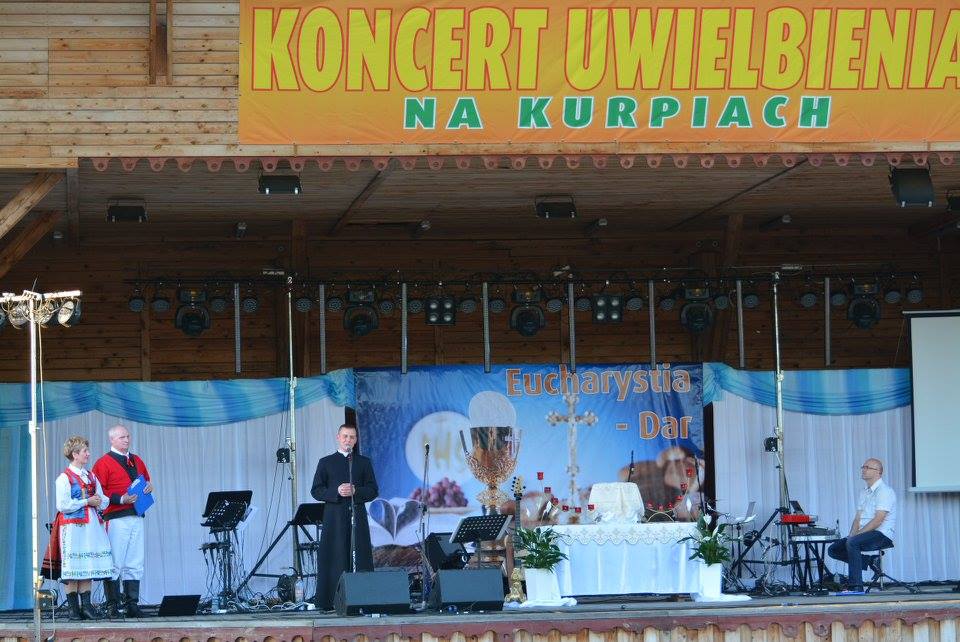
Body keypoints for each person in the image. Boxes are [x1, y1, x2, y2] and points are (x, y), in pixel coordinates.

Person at [310, 424, 379, 611]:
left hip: (357, 516)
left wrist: (357, 490)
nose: (348, 440)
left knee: (359, 555)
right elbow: (316, 490)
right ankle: (331, 600)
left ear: (356, 440)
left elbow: (373, 490)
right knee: (335, 555)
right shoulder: (326, 462)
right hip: (334, 518)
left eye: (352, 437)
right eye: (345, 436)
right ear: (338, 437)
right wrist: (336, 491)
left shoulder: (363, 462)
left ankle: (363, 600)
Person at [92, 424, 153, 617]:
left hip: (136, 515)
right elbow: (98, 492)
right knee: (114, 561)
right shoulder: (103, 463)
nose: (126, 440)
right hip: (116, 517)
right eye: (122, 437)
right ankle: (112, 606)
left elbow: (146, 480)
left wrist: (149, 487)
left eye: (127, 436)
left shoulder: (137, 460)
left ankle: (131, 604)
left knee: (135, 561)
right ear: (112, 440)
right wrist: (120, 499)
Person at [54, 436, 114, 620]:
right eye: (84, 451)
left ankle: (86, 607)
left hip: (91, 526)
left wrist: (100, 501)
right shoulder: (64, 478)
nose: (88, 454)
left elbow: (102, 498)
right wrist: (87, 501)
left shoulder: (91, 476)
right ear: (75, 454)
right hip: (73, 528)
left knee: (87, 565)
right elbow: (63, 505)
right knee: (73, 567)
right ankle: (73, 610)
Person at [827, 457, 897, 593]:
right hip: (865, 534)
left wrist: (855, 537)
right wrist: (851, 535)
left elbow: (878, 520)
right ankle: (870, 561)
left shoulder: (885, 491)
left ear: (878, 472)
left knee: (852, 543)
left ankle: (856, 587)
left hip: (882, 534)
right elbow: (858, 518)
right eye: (863, 467)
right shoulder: (864, 492)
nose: (863, 470)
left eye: (867, 467)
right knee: (833, 549)